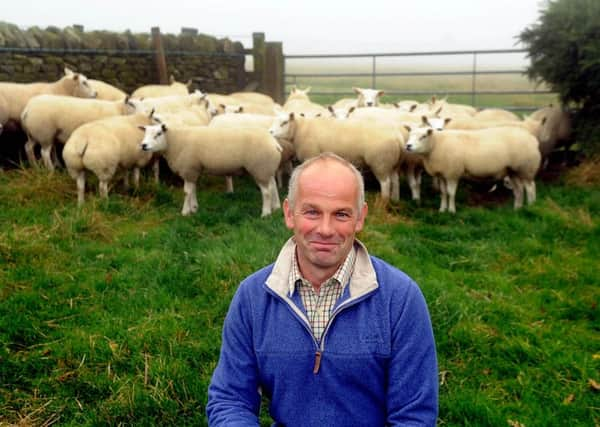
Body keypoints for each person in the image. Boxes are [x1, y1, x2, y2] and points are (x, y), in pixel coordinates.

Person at [206, 152, 438, 426]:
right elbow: (230, 399)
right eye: (312, 212)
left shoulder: (400, 299)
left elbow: (414, 415)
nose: (325, 229)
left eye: (341, 214)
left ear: (360, 218)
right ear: (289, 213)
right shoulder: (253, 296)